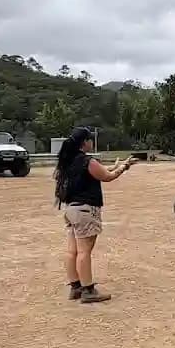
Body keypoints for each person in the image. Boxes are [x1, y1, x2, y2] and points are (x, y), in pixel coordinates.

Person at [54, 127, 137, 303]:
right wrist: (124, 167)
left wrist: (116, 165)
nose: (92, 142)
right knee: (84, 251)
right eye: (90, 139)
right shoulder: (87, 161)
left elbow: (98, 172)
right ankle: (88, 290)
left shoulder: (69, 161)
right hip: (85, 210)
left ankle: (75, 286)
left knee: (72, 251)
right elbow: (107, 176)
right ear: (85, 142)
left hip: (71, 210)